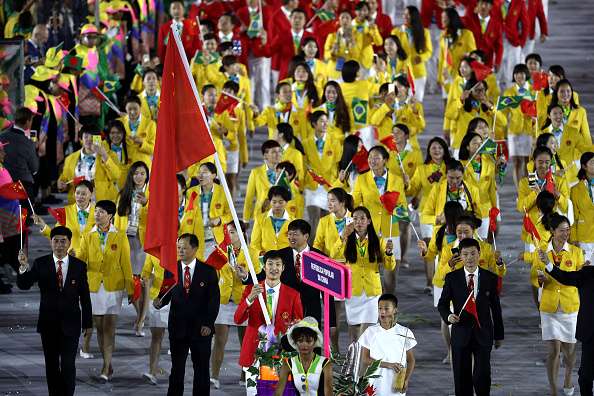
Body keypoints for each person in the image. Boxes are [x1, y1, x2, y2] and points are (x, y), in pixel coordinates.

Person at [17, 226, 92, 396]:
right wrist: (23, 267)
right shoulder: (41, 263)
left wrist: (88, 323)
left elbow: (85, 297)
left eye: (63, 241)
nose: (59, 245)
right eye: (56, 241)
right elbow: (24, 285)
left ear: (69, 243)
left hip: (71, 324)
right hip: (48, 324)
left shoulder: (79, 266)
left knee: (67, 365)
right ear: (51, 243)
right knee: (51, 365)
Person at [153, 233, 220, 396]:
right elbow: (166, 294)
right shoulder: (171, 270)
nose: (180, 251)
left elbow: (213, 301)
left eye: (184, 247)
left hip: (201, 330)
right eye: (178, 247)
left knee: (202, 370)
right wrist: (159, 301)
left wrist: (208, 324)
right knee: (177, 369)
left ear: (195, 249)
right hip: (178, 329)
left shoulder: (208, 271)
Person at [438, 238, 504, 396]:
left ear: (479, 253)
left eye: (473, 253)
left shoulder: (490, 278)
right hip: (460, 333)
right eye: (465, 254)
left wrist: (499, 335)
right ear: (460, 255)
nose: (469, 257)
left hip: (483, 334)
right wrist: (448, 316)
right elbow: (442, 304)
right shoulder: (452, 278)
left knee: (482, 376)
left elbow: (496, 309)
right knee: (461, 379)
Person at [76, 199, 134, 382]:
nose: (97, 214)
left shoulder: (120, 236)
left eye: (101, 212)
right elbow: (80, 261)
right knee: (99, 328)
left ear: (110, 215)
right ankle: (107, 363)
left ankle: (105, 365)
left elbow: (126, 263)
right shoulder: (88, 235)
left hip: (113, 287)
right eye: (96, 211)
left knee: (109, 328)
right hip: (92, 287)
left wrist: (131, 288)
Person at [234, 249, 303, 395]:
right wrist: (250, 299)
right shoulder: (251, 290)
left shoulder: (293, 295)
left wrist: (293, 329)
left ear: (283, 268)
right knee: (253, 392)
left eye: (278, 264)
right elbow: (238, 319)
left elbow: (299, 326)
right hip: (254, 353)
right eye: (270, 264)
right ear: (264, 267)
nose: (274, 268)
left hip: (280, 355)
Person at [533, 213, 580, 396]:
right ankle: (553, 390)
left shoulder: (576, 252)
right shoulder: (542, 252)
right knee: (553, 351)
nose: (566, 233)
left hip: (569, 307)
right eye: (562, 230)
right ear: (552, 231)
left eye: (568, 230)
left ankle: (568, 379)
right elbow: (534, 277)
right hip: (549, 307)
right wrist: (540, 279)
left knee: (569, 352)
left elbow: (577, 278)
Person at [332, 206, 395, 341]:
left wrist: (389, 253)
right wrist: (343, 236)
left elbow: (390, 265)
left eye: (362, 219)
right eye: (355, 219)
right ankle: (354, 358)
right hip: (353, 290)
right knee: (354, 330)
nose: (358, 222)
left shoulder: (379, 241)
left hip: (372, 292)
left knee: (366, 328)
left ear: (369, 221)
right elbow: (334, 255)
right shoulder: (347, 239)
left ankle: (362, 358)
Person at [545, 248, 594, 396]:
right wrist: (548, 264)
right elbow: (564, 277)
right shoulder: (588, 274)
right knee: (586, 376)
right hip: (591, 333)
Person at [359, 293, 416, 395]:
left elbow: (411, 360)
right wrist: (388, 365)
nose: (382, 312)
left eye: (386, 308)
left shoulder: (405, 332)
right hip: (374, 384)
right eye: (380, 308)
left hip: (396, 384)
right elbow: (365, 359)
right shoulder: (370, 332)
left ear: (395, 310)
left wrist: (406, 379)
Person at [275, 317, 333, 396]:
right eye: (300, 341)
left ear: (315, 341)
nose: (304, 345)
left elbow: (329, 393)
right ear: (295, 342)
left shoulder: (325, 364)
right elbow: (278, 393)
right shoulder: (288, 364)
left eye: (309, 341)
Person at [0, 107, 38, 201]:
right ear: (27, 122)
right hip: (23, 186)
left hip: (4, 185)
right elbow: (34, 169)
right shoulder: (29, 142)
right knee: (26, 214)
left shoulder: (1, 136)